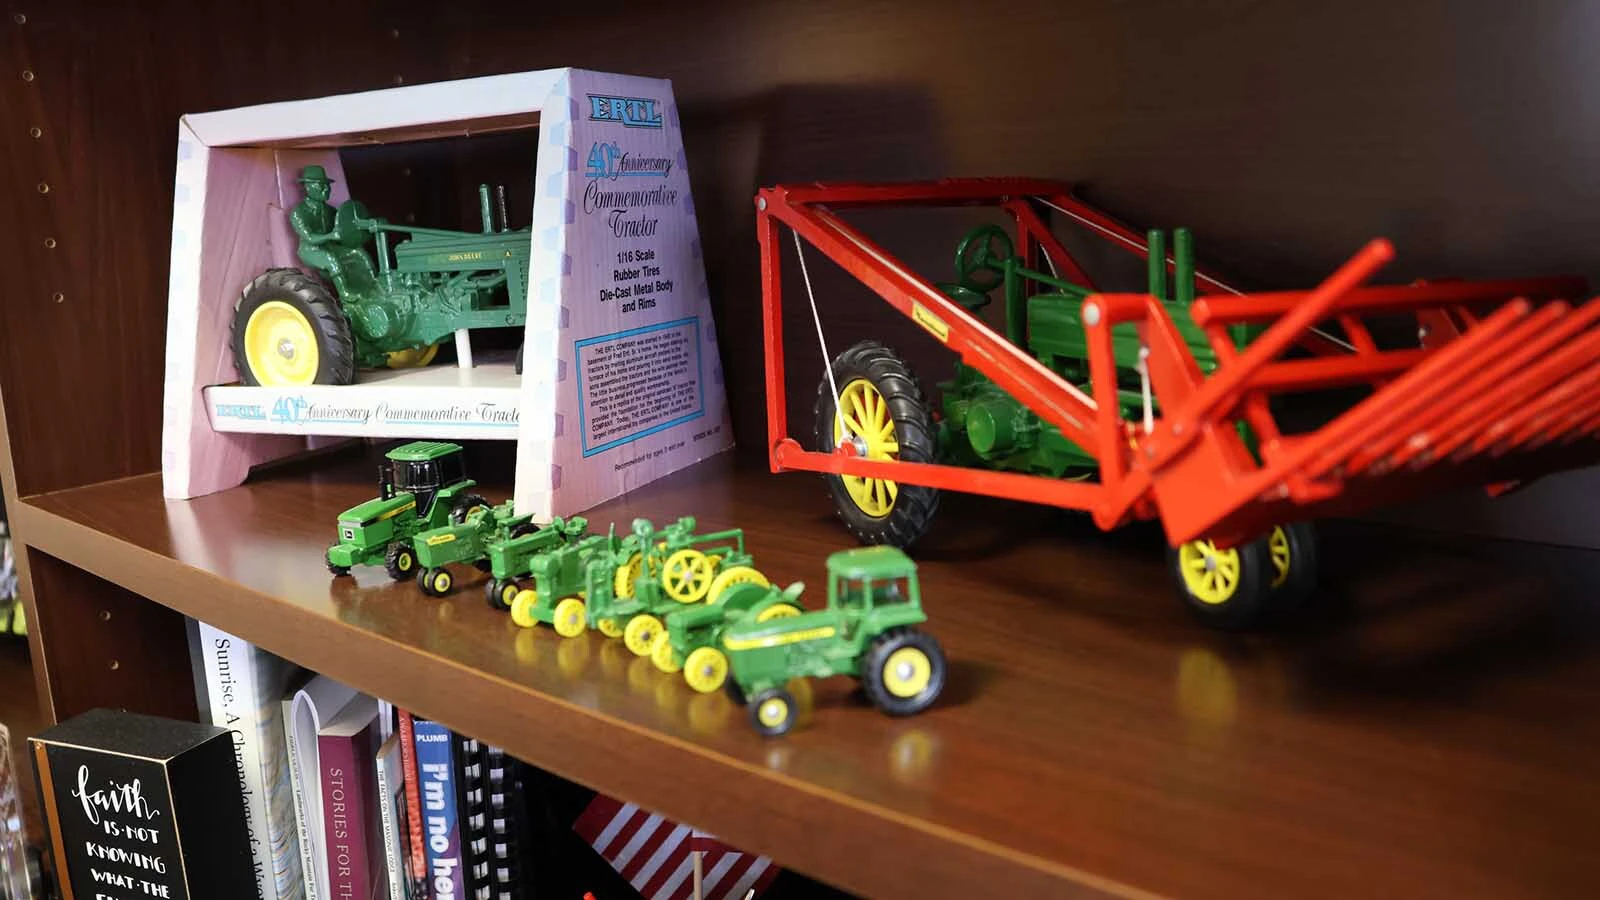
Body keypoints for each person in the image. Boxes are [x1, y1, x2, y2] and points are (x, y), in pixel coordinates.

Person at [288, 165, 340, 275]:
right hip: (310, 251)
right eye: (321, 185)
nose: (326, 189)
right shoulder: (298, 212)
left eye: (327, 185)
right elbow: (309, 237)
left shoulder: (331, 211)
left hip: (330, 247)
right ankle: (343, 287)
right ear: (307, 187)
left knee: (358, 253)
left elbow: (342, 227)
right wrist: (330, 236)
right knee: (330, 260)